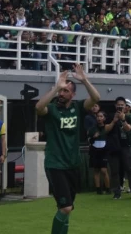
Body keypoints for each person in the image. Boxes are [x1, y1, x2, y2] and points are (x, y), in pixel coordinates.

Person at [35, 64, 100, 234]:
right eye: (60, 91)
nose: (61, 94)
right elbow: (38, 107)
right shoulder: (52, 110)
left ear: (73, 94)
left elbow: (96, 98)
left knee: (68, 209)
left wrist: (84, 79)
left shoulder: (77, 107)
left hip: (73, 164)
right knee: (66, 207)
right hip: (55, 164)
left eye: (65, 91)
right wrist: (56, 86)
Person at [106, 97, 131, 200]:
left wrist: (123, 119)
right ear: (115, 106)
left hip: (125, 146)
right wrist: (114, 121)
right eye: (118, 105)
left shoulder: (128, 117)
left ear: (125, 106)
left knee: (130, 170)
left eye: (122, 105)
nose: (120, 107)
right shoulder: (110, 116)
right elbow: (106, 129)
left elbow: (128, 129)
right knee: (115, 171)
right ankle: (116, 192)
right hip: (114, 147)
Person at [87, 111, 112, 194]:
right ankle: (98, 189)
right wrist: (94, 137)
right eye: (98, 116)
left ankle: (108, 188)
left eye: (101, 116)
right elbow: (89, 140)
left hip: (104, 150)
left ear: (104, 118)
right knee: (96, 170)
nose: (99, 118)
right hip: (94, 150)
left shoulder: (106, 127)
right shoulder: (92, 129)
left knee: (104, 170)